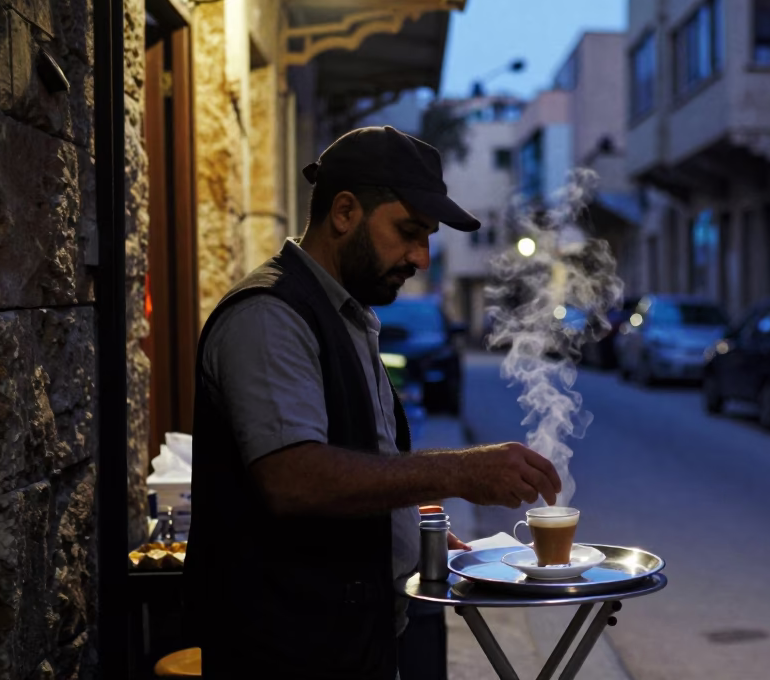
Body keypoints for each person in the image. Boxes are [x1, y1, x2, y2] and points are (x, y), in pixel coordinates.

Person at [183, 126, 562, 680]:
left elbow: (356, 457)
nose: (422, 257)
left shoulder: (347, 314)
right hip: (285, 652)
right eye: (409, 232)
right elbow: (293, 479)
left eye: (428, 237)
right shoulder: (269, 316)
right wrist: (458, 471)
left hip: (350, 643)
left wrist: (405, 521)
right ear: (344, 212)